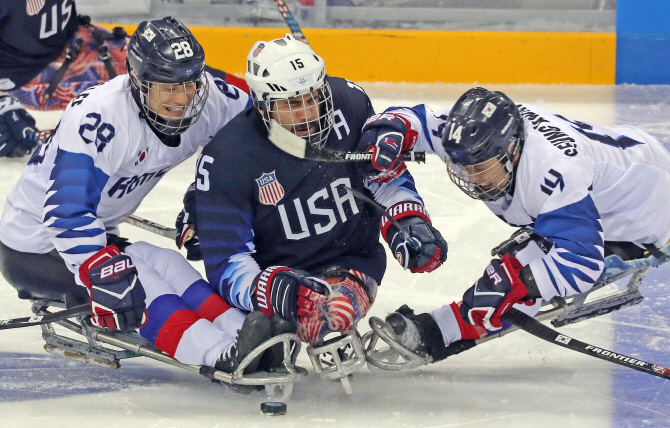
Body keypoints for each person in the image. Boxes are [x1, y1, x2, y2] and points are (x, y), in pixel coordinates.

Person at [0, 17, 278, 378]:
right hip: (34, 245)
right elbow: (65, 212)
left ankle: (246, 332)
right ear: (137, 80)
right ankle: (220, 353)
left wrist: (205, 201)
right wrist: (100, 271)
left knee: (167, 263)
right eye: (167, 89)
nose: (182, 100)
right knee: (140, 279)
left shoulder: (212, 97)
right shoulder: (99, 116)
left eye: (190, 84)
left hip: (100, 231)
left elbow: (267, 114)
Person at [176, 33, 448, 347]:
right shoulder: (227, 157)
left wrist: (408, 221)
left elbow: (381, 178)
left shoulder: (349, 102)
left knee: (335, 313)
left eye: (312, 97)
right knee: (282, 321)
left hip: (353, 258)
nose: (307, 112)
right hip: (278, 273)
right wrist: (265, 289)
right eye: (291, 102)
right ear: (263, 104)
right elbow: (227, 262)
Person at [371, 87, 670, 363]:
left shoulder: (552, 174)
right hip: (634, 162)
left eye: (480, 168)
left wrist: (521, 283)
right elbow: (420, 122)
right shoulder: (484, 137)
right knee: (514, 274)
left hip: (647, 218)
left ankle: (436, 332)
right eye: (467, 167)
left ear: (511, 151)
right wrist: (391, 130)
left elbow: (581, 265)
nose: (472, 178)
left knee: (512, 277)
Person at [0, 0, 248, 158]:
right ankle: (255, 101)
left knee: (169, 59)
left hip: (71, 41)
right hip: (33, 75)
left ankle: (256, 94)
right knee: (163, 73)